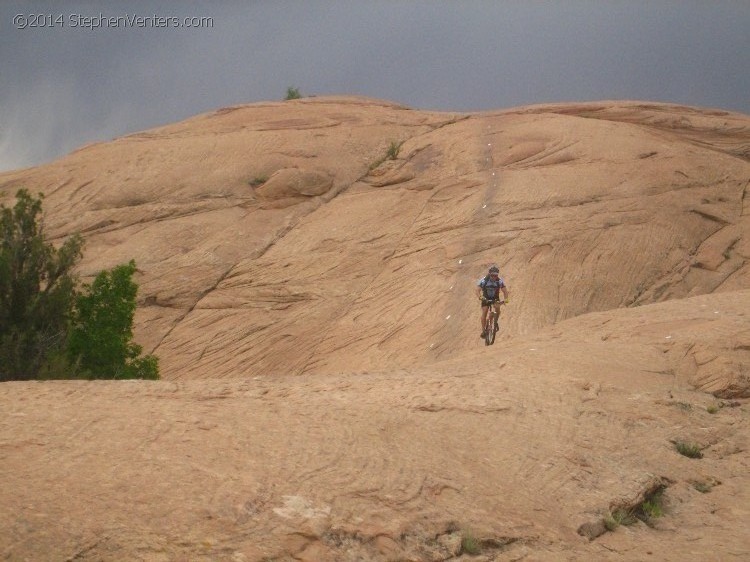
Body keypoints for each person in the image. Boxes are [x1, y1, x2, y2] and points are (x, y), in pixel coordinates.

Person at [476, 265, 509, 338]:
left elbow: (505, 291)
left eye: (496, 275)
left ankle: (494, 321)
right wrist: (480, 297)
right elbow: (477, 290)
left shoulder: (499, 281)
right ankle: (483, 331)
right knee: (484, 311)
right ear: (489, 274)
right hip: (485, 297)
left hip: (495, 297)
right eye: (492, 275)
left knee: (498, 309)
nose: (494, 277)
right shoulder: (484, 280)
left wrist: (506, 299)